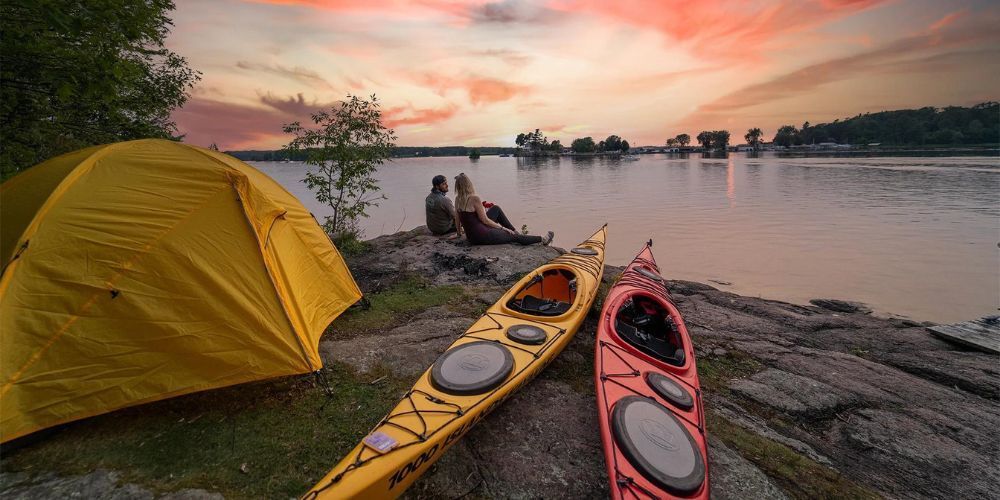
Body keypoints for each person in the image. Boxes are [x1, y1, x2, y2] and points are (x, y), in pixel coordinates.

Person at [453, 173, 553, 246]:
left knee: (495, 209)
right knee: (514, 237)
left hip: (472, 236)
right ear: (469, 184)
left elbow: (457, 219)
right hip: (482, 236)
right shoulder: (474, 198)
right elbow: (485, 220)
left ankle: (514, 230)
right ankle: (542, 240)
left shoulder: (458, 199)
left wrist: (458, 233)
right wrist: (502, 228)